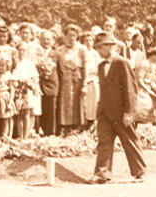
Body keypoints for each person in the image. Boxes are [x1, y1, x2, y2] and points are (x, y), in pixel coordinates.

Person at [91, 31, 145, 184]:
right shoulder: (101, 66)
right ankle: (102, 173)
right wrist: (99, 110)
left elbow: (131, 89)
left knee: (129, 141)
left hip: (121, 112)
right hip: (104, 112)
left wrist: (129, 112)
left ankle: (139, 172)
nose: (99, 52)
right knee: (104, 142)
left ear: (109, 46)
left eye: (100, 48)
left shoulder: (122, 63)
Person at [53, 24, 87, 135]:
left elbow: (85, 67)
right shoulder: (59, 50)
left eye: (74, 36)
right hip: (64, 78)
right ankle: (65, 127)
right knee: (65, 102)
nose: (72, 38)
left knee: (77, 103)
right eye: (69, 35)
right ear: (65, 36)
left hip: (77, 77)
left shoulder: (81, 49)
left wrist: (85, 84)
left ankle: (77, 127)